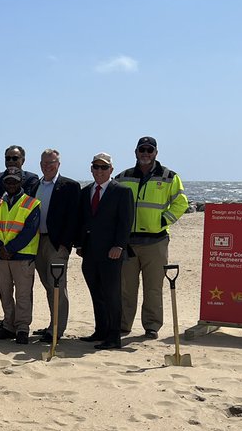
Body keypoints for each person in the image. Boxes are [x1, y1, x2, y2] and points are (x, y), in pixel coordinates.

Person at [116, 136, 189, 339]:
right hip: (129, 242)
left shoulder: (169, 176)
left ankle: (151, 326)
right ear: (136, 152)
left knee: (153, 288)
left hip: (156, 241)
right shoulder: (123, 177)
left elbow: (181, 203)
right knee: (126, 289)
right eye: (142, 150)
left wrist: (163, 221)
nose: (145, 154)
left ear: (156, 152)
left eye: (149, 150)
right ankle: (123, 325)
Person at [78, 153, 133, 350]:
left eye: (104, 167)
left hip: (112, 252)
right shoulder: (85, 193)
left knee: (112, 295)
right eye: (96, 167)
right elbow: (83, 221)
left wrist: (119, 245)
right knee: (96, 293)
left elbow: (125, 222)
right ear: (91, 169)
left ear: (111, 169)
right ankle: (100, 330)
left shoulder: (122, 192)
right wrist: (80, 245)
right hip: (90, 252)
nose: (99, 171)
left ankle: (113, 336)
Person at [28, 148, 82, 342]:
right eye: (44, 163)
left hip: (56, 243)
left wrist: (66, 244)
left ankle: (58, 329)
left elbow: (74, 217)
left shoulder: (70, 186)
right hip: (36, 241)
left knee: (57, 285)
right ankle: (53, 323)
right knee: (47, 286)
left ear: (58, 164)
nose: (47, 166)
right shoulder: (34, 185)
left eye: (51, 163)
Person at [0, 167, 41, 344]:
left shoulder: (32, 203)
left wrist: (10, 248)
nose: (11, 184)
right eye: (8, 181)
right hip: (1, 258)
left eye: (14, 181)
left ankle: (22, 328)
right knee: (5, 293)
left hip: (22, 257)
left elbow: (30, 231)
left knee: (23, 295)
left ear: (21, 182)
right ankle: (8, 326)